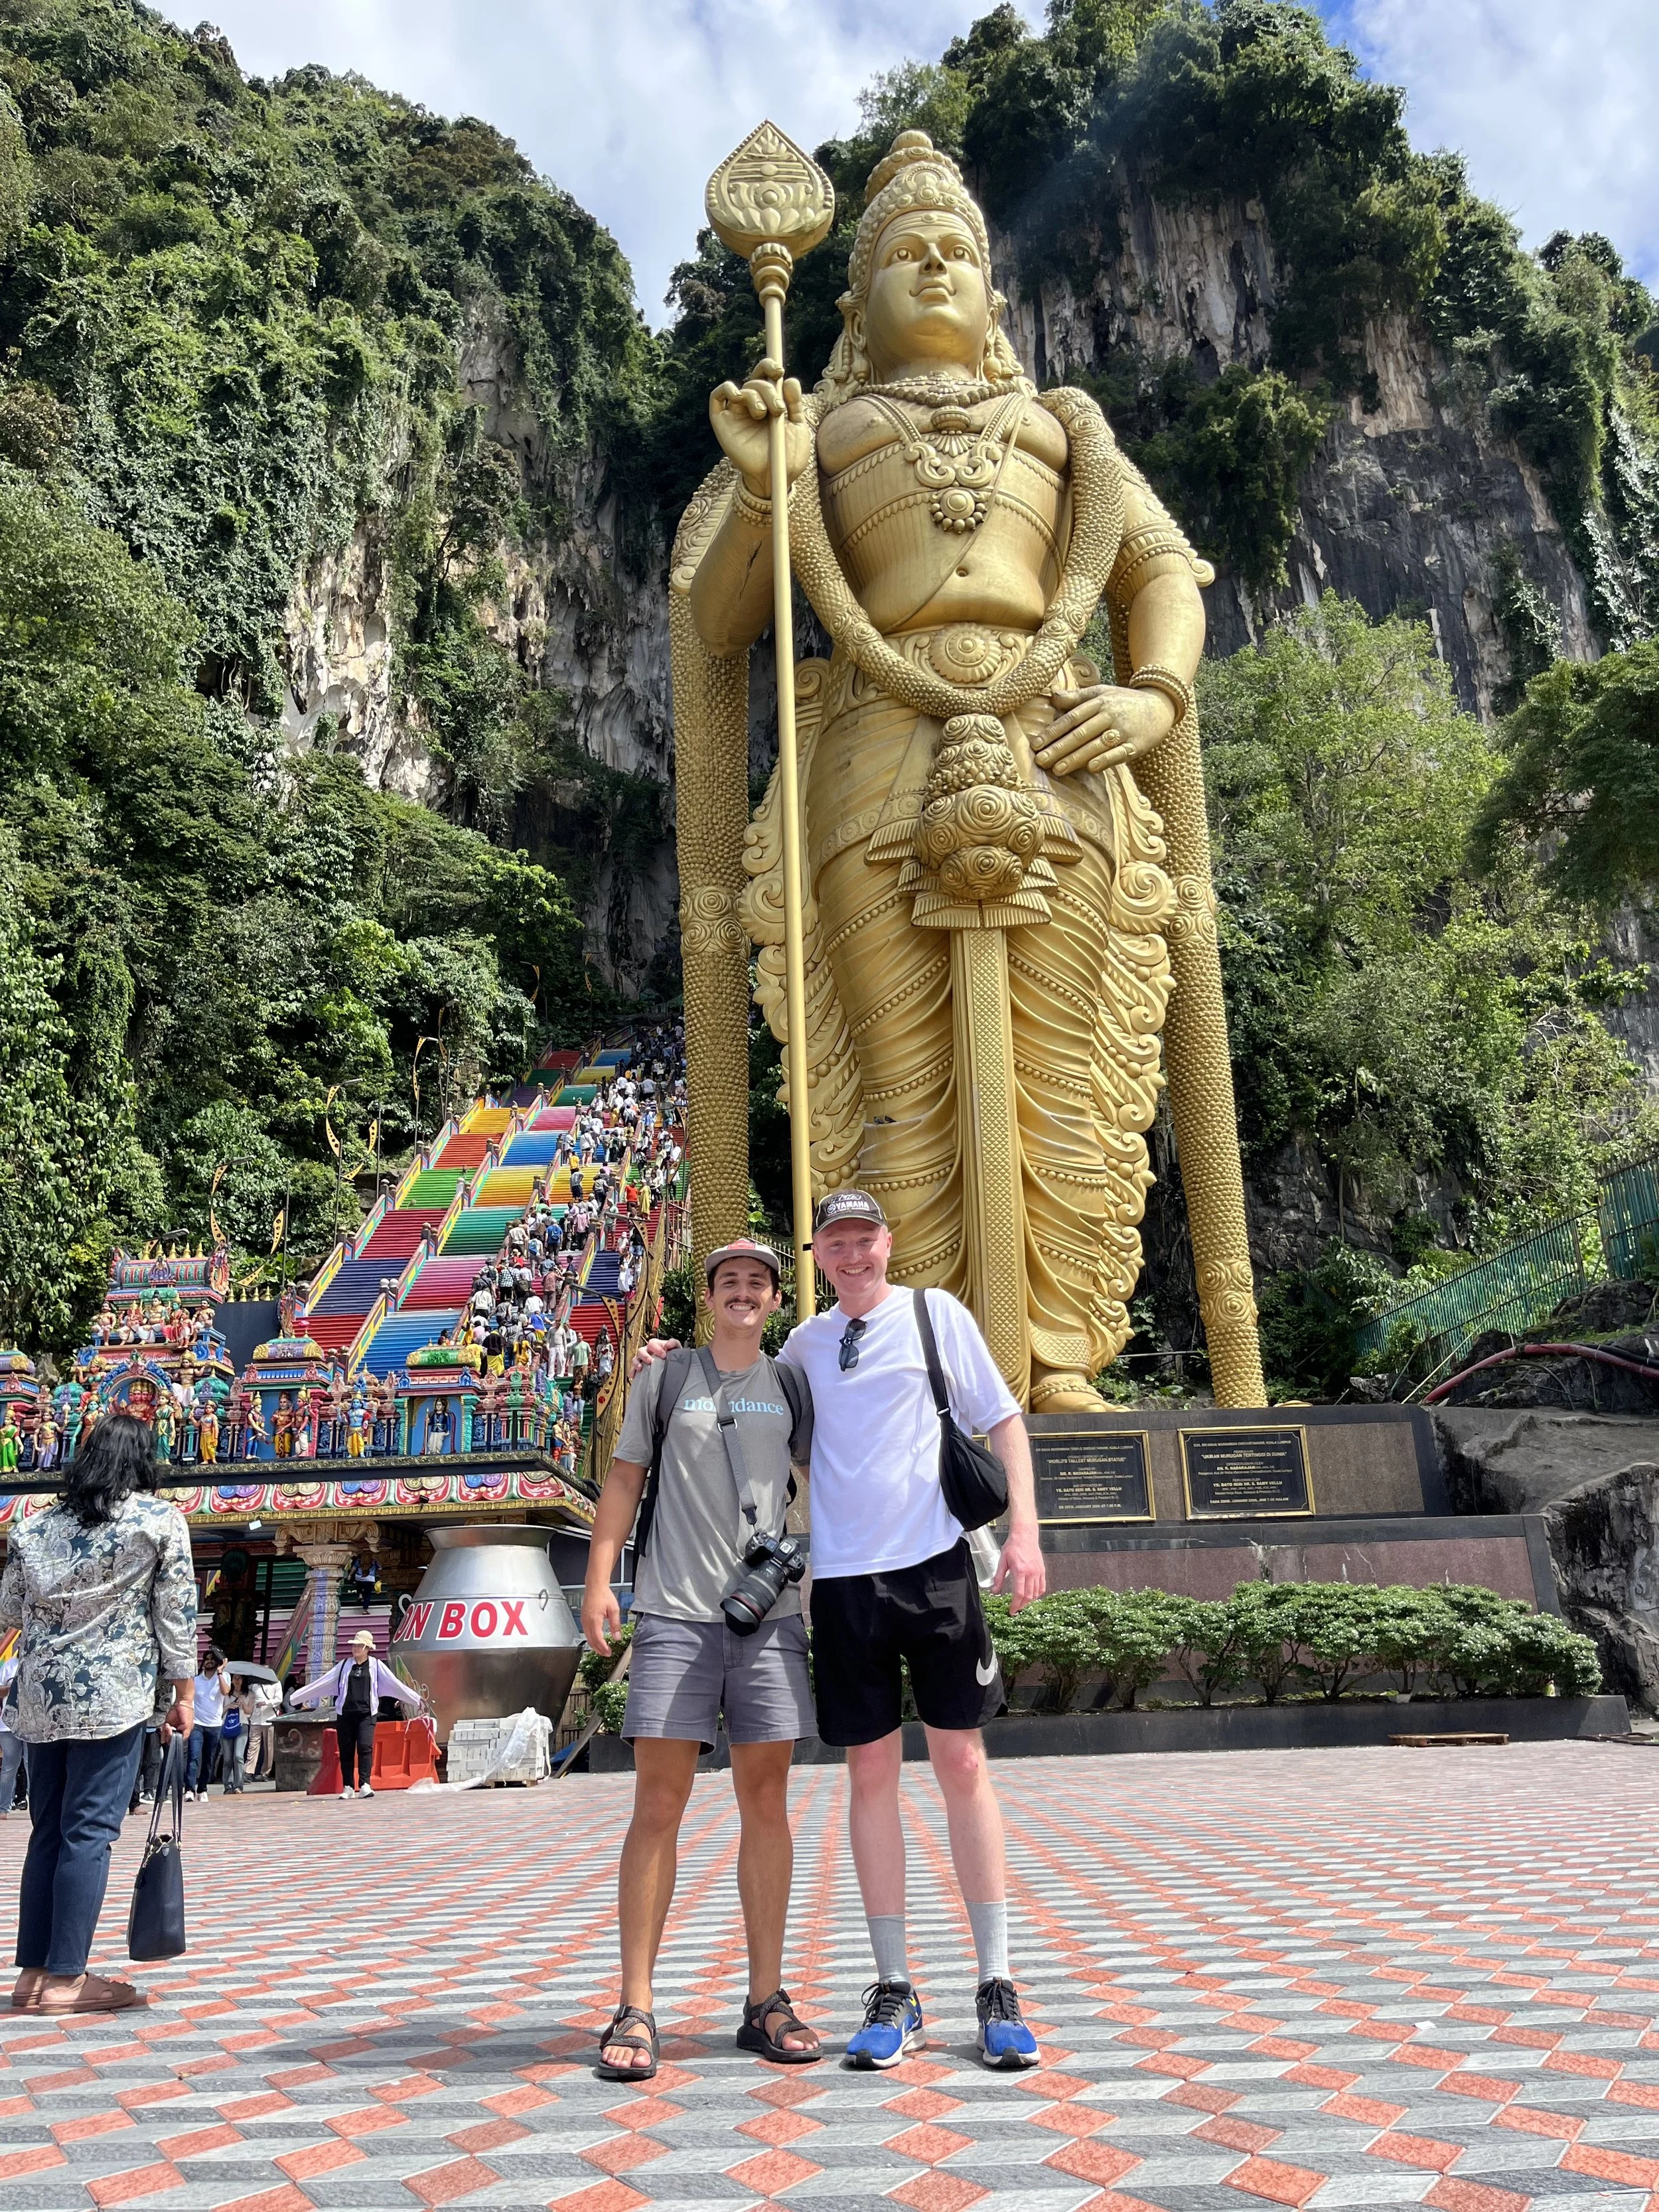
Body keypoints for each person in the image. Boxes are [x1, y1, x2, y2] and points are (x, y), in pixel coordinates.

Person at [638, 1189, 1045, 2071]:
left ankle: (996, 1980)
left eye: (866, 1238)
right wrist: (670, 1362)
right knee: (869, 1774)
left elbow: (1004, 1418)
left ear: (887, 1244)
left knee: (963, 1763)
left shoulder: (937, 1316)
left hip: (936, 1568)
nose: (853, 1254)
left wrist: (1026, 1535)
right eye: (837, 1241)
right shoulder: (804, 1351)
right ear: (817, 1254)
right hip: (844, 1585)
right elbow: (737, 1386)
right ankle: (895, 1987)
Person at [583, 1238, 818, 2082]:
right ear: (708, 1298)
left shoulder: (792, 1382)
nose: (744, 1293)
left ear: (775, 1299)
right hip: (674, 1612)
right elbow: (622, 1482)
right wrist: (600, 1582)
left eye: (758, 1283)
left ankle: (765, 1998)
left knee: (768, 1800)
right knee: (657, 1802)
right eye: (729, 1283)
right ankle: (636, 2002)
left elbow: (819, 1479)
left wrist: (819, 1576)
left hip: (769, 1617)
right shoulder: (666, 1377)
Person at [0, 1413, 195, 2014]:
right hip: (111, 1697)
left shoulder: (34, 1527)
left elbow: (9, 1604)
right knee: (89, 1832)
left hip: (41, 1696)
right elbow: (177, 1616)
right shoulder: (157, 1522)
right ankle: (66, 1977)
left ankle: (32, 1973)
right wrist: (183, 1696)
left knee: (48, 1830)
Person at [289, 1629, 422, 1797]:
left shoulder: (376, 1665)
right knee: (346, 1751)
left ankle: (365, 1784)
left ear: (368, 1648)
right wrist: (297, 1697)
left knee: (365, 1748)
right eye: (355, 1645)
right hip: (345, 1714)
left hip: (366, 1714)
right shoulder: (344, 1665)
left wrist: (415, 1698)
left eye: (360, 1646)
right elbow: (322, 1683)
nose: (356, 1649)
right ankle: (348, 1787)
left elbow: (394, 1683)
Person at [186, 1647, 232, 1801]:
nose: (209, 1661)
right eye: (206, 1659)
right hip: (197, 1724)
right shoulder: (196, 1679)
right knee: (193, 1756)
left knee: (208, 1759)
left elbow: (226, 1692)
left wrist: (220, 1672)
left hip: (215, 1725)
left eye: (212, 1659)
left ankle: (202, 1789)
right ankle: (190, 1790)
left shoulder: (224, 1676)